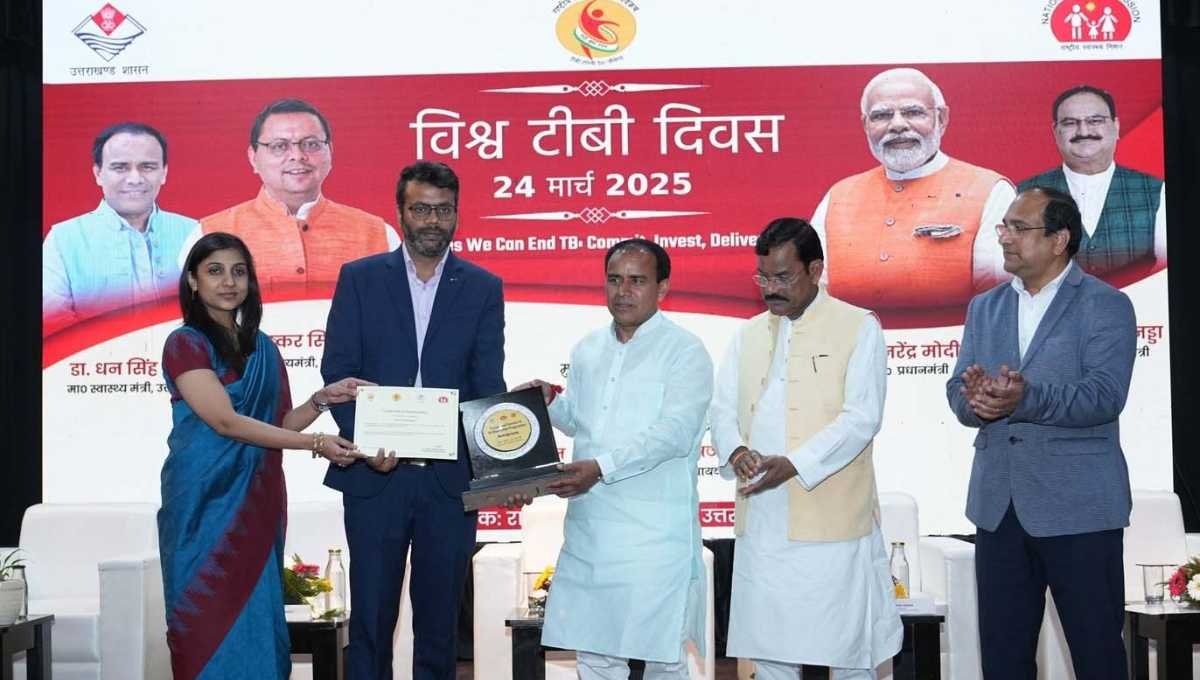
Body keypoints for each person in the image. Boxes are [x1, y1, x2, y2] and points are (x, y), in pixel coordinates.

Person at [320, 161, 505, 679]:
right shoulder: (360, 279)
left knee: (440, 630)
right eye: (421, 209)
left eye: (444, 210)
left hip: (449, 483)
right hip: (374, 478)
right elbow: (339, 371)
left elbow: (486, 384)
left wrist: (506, 455)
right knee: (370, 625)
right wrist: (366, 441)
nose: (432, 221)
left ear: (457, 214)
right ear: (400, 212)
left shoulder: (483, 287)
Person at [946, 187, 1136, 679]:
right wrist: (976, 401)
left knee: (1097, 657)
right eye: (1003, 227)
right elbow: (958, 386)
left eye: (1019, 228)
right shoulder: (984, 307)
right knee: (1004, 661)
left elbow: (1104, 395)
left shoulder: (1106, 305)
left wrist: (1023, 399)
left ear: (1059, 240)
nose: (1004, 237)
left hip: (1080, 509)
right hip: (998, 507)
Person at [159, 232, 366, 679]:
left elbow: (280, 425)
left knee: (258, 621)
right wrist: (317, 444)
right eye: (215, 271)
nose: (228, 282)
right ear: (192, 280)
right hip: (202, 504)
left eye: (239, 272)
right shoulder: (185, 343)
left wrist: (321, 400)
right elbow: (225, 421)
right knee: (204, 623)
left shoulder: (263, 348)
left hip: (257, 501)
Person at [709, 218, 901, 679]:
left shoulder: (858, 326)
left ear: (815, 270)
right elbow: (721, 407)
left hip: (831, 517)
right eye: (763, 278)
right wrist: (736, 451)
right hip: (764, 518)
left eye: (782, 277)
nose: (770, 289)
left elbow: (862, 418)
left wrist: (795, 464)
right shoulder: (748, 333)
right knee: (770, 653)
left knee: (848, 651)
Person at [516, 239, 713, 679]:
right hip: (592, 531)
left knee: (663, 659)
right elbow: (583, 423)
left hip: (654, 535)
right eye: (614, 280)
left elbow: (675, 434)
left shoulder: (685, 351)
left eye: (637, 281)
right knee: (595, 656)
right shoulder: (587, 349)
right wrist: (550, 403)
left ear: (662, 288)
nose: (623, 291)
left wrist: (600, 468)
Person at [810, 67, 1015, 315]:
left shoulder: (990, 190)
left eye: (913, 112)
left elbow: (997, 300)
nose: (897, 125)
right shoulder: (838, 197)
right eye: (882, 115)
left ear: (941, 118)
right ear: (865, 125)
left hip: (953, 339)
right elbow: (813, 295)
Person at [191, 98, 399, 293]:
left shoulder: (378, 235)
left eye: (311, 144)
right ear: (253, 157)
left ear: (330, 151)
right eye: (279, 146)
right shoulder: (207, 234)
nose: (297, 156)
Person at [43, 122, 197, 334]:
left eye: (147, 167)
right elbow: (55, 325)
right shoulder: (63, 240)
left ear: (164, 173)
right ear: (98, 174)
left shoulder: (192, 233)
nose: (135, 179)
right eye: (120, 167)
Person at [1018, 84, 1166, 278]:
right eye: (1070, 123)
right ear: (1055, 131)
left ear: (1116, 126)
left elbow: (1163, 275)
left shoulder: (1156, 191)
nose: (1083, 131)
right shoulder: (1023, 194)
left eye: (1095, 121)